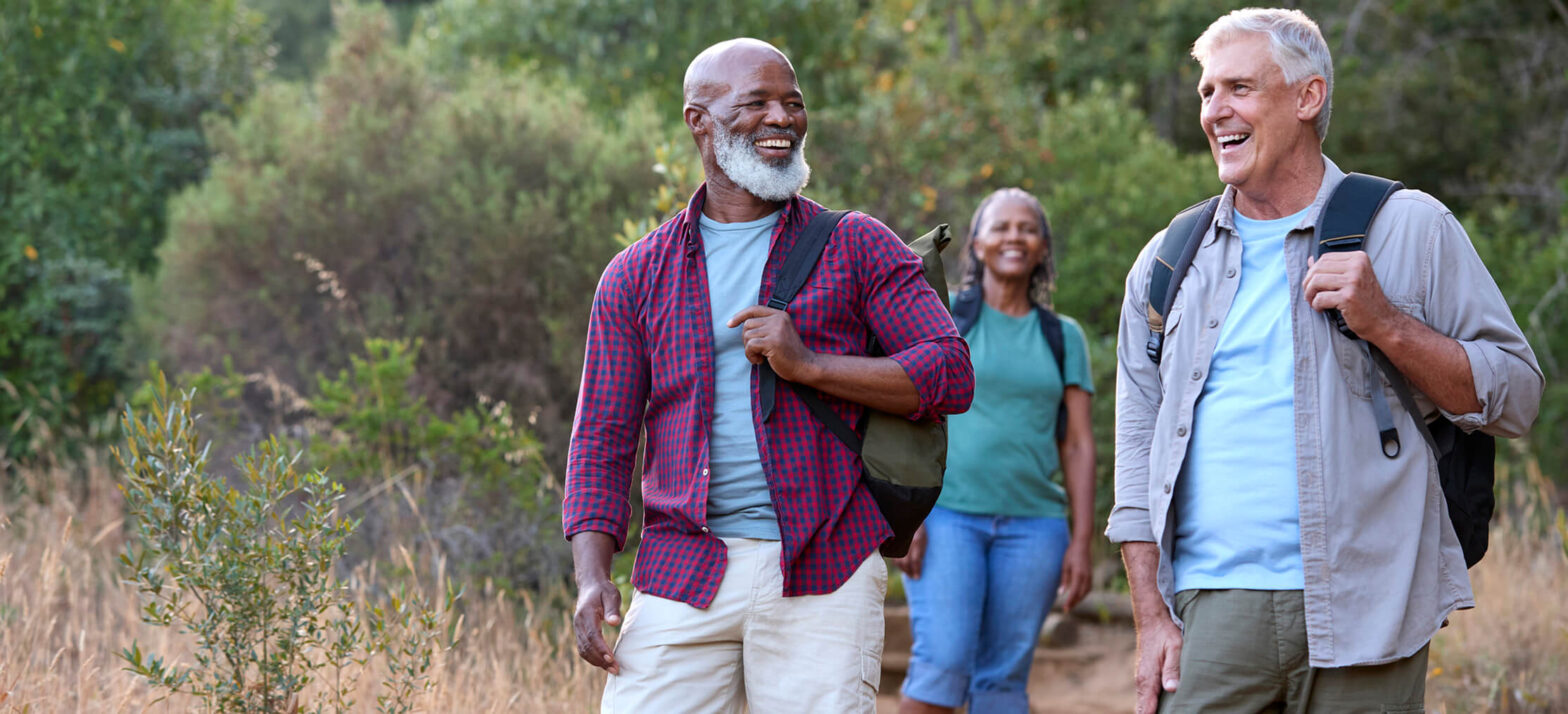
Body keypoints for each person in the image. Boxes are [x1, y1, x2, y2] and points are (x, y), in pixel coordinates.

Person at [1107, 8, 1543, 714]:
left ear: (1307, 98)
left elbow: (1518, 395)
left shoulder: (1412, 228)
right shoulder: (1166, 261)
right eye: (1207, 92)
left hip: (1370, 602)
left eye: (1240, 88)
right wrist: (1151, 617)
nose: (1216, 110)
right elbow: (1137, 445)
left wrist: (1391, 327)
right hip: (1211, 609)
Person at [562, 37, 975, 714]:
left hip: (826, 566)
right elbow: (601, 440)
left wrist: (808, 365)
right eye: (756, 102)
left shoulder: (857, 244)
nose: (782, 118)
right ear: (699, 119)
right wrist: (590, 577)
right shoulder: (636, 275)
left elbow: (949, 374)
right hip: (681, 571)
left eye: (794, 103)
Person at [893, 188, 1097, 714]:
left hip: (1035, 528)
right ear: (977, 244)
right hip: (947, 520)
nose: (1014, 237)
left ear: (1043, 247)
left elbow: (1076, 444)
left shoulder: (1063, 337)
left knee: (1003, 683)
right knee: (942, 665)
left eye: (1027, 228)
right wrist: (907, 516)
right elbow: (904, 416)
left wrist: (1080, 541)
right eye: (1001, 227)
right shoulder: (941, 320)